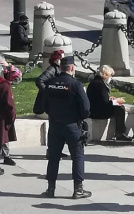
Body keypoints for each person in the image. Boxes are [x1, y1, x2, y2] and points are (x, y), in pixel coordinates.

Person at [43, 56, 91, 199]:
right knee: (77, 157)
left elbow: (44, 106)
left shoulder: (50, 84)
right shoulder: (76, 84)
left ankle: (50, 188)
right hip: (72, 126)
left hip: (55, 125)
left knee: (53, 158)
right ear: (72, 68)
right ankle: (78, 189)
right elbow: (86, 108)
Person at [34, 50, 69, 158]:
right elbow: (40, 80)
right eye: (61, 59)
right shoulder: (52, 69)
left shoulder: (57, 69)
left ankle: (56, 150)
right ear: (57, 60)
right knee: (54, 127)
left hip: (55, 101)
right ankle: (52, 150)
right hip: (51, 102)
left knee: (57, 127)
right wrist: (49, 92)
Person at [87, 65, 131, 141]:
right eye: (110, 75)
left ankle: (120, 133)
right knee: (120, 108)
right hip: (98, 112)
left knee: (119, 108)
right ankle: (120, 133)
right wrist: (117, 101)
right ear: (105, 74)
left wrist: (110, 99)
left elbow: (101, 99)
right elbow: (105, 103)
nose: (111, 77)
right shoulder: (100, 85)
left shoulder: (95, 82)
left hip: (94, 109)